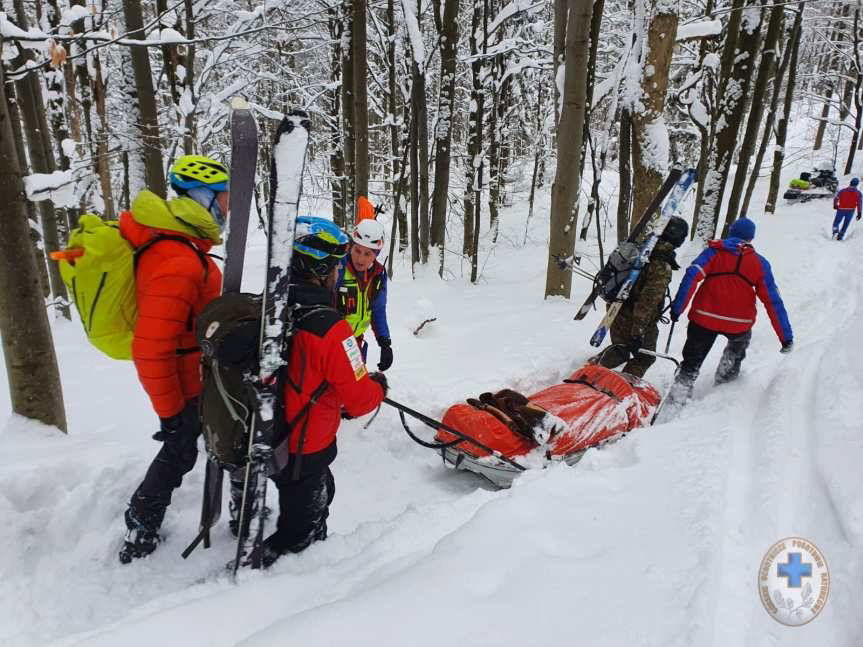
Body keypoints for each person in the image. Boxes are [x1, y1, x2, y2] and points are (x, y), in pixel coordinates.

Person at [256, 216, 387, 566]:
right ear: (324, 269)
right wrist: (378, 386)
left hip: (268, 431)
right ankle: (287, 582)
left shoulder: (268, 306)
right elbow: (359, 401)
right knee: (301, 536)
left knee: (317, 491)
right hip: (305, 443)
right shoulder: (331, 329)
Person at [119, 155, 228, 563]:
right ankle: (140, 522)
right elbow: (150, 345)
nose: (227, 209)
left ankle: (143, 519)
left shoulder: (182, 248)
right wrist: (169, 411)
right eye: (224, 200)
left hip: (192, 376)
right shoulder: (178, 260)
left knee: (192, 446)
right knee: (181, 449)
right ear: (203, 198)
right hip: (182, 384)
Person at [664, 217, 793, 410]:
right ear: (751, 238)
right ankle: (725, 382)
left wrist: (677, 308)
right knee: (737, 348)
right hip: (739, 323)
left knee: (692, 357)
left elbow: (692, 276)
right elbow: (773, 301)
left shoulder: (713, 253)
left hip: (703, 317)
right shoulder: (760, 264)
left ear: (731, 232)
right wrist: (786, 337)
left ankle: (680, 391)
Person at [596, 216, 689, 378]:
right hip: (635, 318)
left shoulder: (640, 249)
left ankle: (588, 372)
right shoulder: (661, 265)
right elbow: (648, 301)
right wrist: (637, 331)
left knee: (620, 348)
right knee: (645, 356)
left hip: (616, 310)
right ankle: (622, 388)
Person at [336, 196, 393, 371]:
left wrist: (385, 343)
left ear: (376, 255)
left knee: (356, 385)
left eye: (368, 254)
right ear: (351, 247)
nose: (360, 258)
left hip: (355, 344)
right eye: (357, 250)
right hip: (333, 344)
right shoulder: (337, 270)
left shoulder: (377, 276)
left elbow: (377, 310)